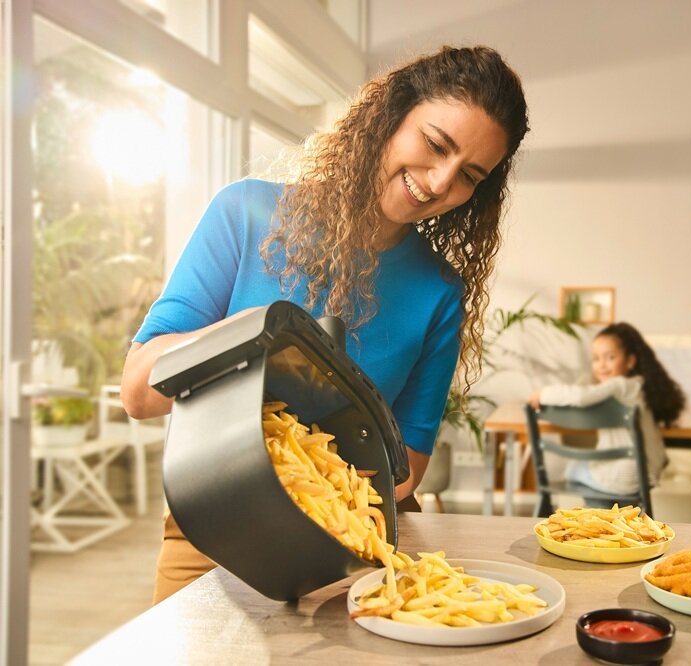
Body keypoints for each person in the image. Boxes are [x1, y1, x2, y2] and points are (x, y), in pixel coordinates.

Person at [120, 45, 529, 602]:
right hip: (211, 531)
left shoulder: (440, 293)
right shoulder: (244, 216)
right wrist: (258, 336)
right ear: (388, 117)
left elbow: (406, 469)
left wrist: (318, 489)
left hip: (350, 547)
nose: (439, 183)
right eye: (435, 145)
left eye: (469, 176)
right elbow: (140, 393)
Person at [528, 322, 685, 503]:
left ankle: (600, 517)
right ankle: (615, 516)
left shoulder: (619, 385)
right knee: (594, 469)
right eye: (596, 359)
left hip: (622, 475)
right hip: (642, 475)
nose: (602, 365)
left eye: (610, 357)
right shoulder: (638, 386)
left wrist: (543, 393)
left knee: (572, 468)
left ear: (630, 361)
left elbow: (580, 397)